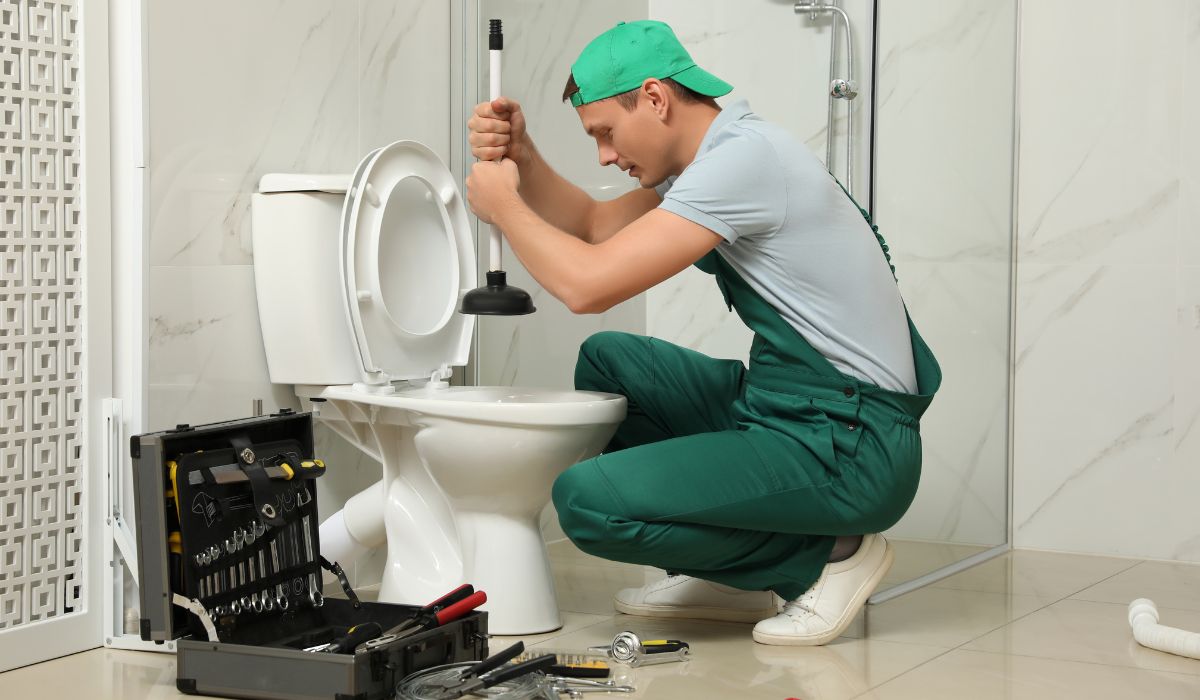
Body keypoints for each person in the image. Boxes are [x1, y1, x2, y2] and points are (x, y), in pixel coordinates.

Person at [464, 19, 940, 646]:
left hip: (851, 445)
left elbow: (588, 285)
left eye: (605, 133)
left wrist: (503, 206)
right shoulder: (722, 156)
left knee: (586, 502)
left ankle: (826, 558)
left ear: (656, 98)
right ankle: (731, 576)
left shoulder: (742, 164)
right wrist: (523, 157)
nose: (605, 155)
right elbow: (595, 225)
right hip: (799, 410)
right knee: (611, 363)